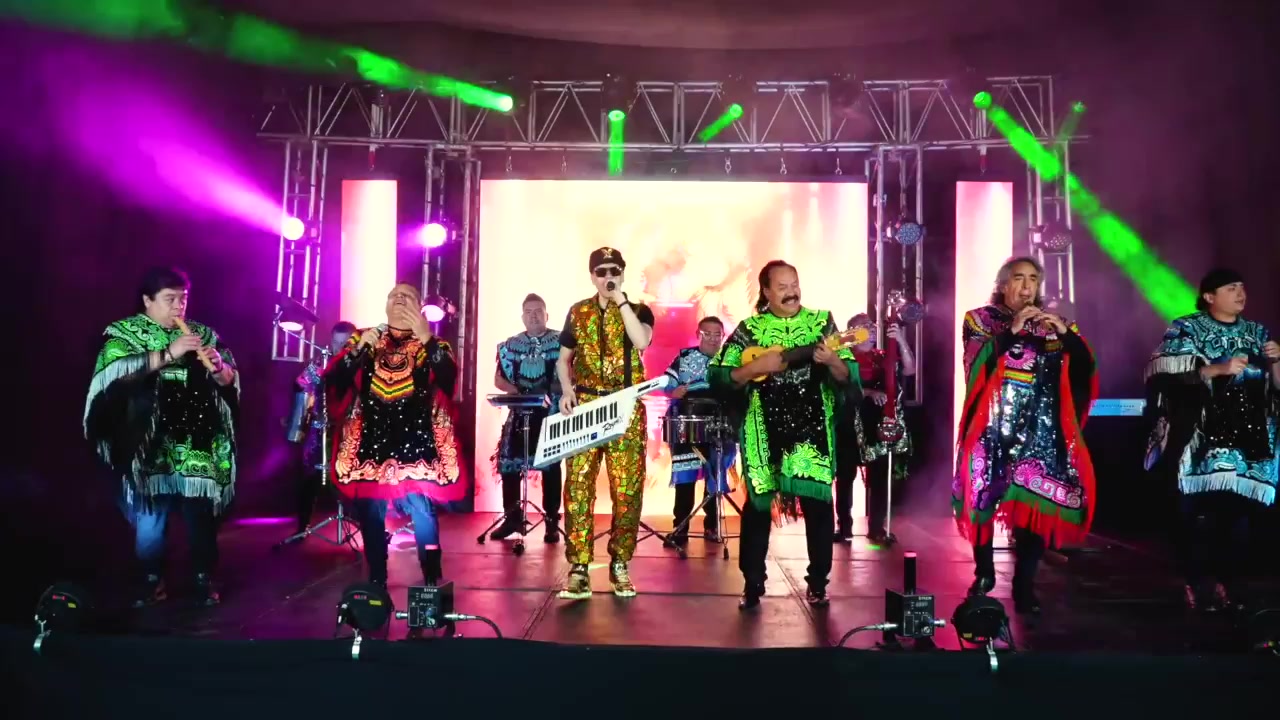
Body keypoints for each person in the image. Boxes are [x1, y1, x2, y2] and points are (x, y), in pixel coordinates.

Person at [84, 267, 239, 607]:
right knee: (150, 520)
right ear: (147, 300)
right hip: (148, 443)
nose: (179, 306)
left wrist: (219, 369)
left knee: (201, 515)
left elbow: (229, 380)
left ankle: (203, 578)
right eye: (170, 299)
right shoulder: (123, 333)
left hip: (196, 441)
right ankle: (151, 581)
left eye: (183, 299)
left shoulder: (203, 334)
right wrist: (170, 353)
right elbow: (113, 379)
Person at [709, 260, 859, 609]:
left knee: (819, 506)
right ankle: (752, 583)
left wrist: (832, 361)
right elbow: (718, 376)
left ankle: (818, 582)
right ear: (765, 292)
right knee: (758, 507)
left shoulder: (821, 322)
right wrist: (754, 368)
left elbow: (848, 374)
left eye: (794, 284)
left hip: (812, 426)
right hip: (763, 427)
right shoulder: (749, 329)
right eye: (782, 287)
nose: (792, 292)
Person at [953, 256, 1097, 614]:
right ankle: (984, 572)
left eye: (1033, 278)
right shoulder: (979, 320)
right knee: (983, 496)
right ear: (1003, 285)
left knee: (1035, 503)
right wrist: (1011, 331)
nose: (1027, 286)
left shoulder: (1057, 325)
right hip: (992, 426)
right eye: (1019, 278)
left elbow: (1085, 368)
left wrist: (1066, 337)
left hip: (1041, 429)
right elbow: (976, 363)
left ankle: (1025, 583)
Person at [1145, 268, 1279, 611]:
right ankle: (1193, 581)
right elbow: (1161, 374)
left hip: (1247, 435)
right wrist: (1215, 369)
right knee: (1190, 514)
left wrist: (1276, 361)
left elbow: (1275, 386)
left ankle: (1226, 584)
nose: (1240, 293)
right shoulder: (1186, 328)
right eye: (1231, 287)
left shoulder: (1257, 332)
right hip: (1199, 435)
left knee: (1238, 516)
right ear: (1209, 296)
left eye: (1242, 287)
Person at [325, 283, 467, 587]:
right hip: (372, 440)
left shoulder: (434, 344)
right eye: (394, 295)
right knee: (371, 514)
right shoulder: (363, 338)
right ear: (386, 304)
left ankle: (432, 580)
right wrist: (359, 350)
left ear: (419, 307)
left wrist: (426, 338)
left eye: (408, 296)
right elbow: (336, 378)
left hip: (416, 441)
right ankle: (377, 580)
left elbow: (449, 380)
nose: (399, 299)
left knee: (423, 513)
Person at [556, 247, 656, 598]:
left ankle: (620, 563)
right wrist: (566, 390)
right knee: (578, 486)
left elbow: (641, 341)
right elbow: (563, 359)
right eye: (601, 272)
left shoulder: (639, 309)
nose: (608, 277)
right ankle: (579, 566)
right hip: (586, 404)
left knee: (627, 488)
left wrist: (621, 301)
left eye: (614, 270)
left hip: (624, 404)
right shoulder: (578, 312)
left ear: (623, 273)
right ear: (592, 276)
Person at [833, 313, 915, 544]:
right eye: (863, 326)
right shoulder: (843, 358)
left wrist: (900, 339)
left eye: (871, 325)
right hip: (849, 421)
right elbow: (839, 387)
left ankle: (877, 527)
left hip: (876, 423)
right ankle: (844, 526)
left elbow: (909, 369)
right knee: (845, 476)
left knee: (879, 475)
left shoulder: (883, 356)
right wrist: (868, 392)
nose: (870, 329)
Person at [491, 293, 563, 543]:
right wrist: (516, 391)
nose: (533, 316)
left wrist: (553, 391)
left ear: (547, 315)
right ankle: (512, 519)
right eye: (528, 312)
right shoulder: (510, 345)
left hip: (550, 414)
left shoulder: (562, 342)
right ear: (522, 317)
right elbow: (498, 379)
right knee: (509, 464)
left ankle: (552, 522)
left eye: (538, 311)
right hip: (519, 413)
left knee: (551, 467)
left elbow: (571, 375)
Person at [663, 316, 736, 545]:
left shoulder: (730, 359)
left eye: (718, 335)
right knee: (685, 477)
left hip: (720, 422)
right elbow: (666, 384)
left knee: (715, 475)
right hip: (689, 422)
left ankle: (712, 527)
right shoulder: (684, 358)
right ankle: (680, 529)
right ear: (698, 334)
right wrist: (672, 391)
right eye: (708, 334)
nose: (713, 339)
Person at [287, 321, 356, 535]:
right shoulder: (321, 362)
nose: (339, 348)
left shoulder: (360, 364)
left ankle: (361, 526)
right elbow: (299, 384)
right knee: (310, 478)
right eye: (336, 343)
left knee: (352, 477)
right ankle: (302, 527)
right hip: (320, 429)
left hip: (349, 429)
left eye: (344, 343)